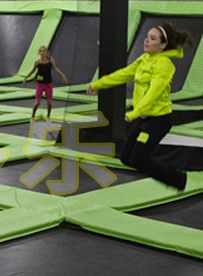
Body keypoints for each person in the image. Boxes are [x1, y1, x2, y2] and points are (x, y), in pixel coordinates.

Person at [87, 21, 193, 190]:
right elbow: (122, 74)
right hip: (144, 118)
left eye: (152, 38)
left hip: (158, 121)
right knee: (126, 157)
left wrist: (134, 113)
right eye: (146, 37)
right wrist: (97, 85)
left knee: (138, 159)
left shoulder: (165, 65)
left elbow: (153, 92)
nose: (146, 40)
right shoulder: (143, 60)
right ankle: (174, 176)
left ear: (162, 45)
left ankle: (178, 179)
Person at [22, 45, 69, 119]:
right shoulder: (37, 62)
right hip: (40, 84)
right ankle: (33, 114)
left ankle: (48, 115)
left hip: (48, 84)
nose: (42, 53)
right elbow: (33, 71)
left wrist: (63, 75)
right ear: (39, 53)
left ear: (47, 52)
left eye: (44, 51)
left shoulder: (51, 60)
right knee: (37, 103)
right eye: (41, 51)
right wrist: (25, 78)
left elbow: (55, 69)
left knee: (49, 104)